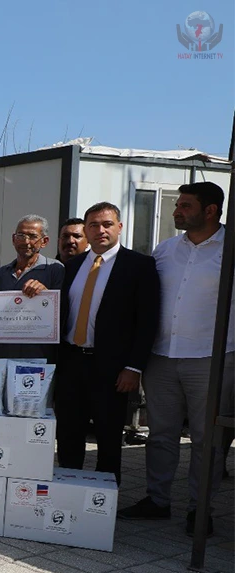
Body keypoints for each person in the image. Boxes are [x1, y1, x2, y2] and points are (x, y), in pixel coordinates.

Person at [120, 182, 233, 537]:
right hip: (163, 358)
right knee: (161, 434)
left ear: (210, 210)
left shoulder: (231, 249)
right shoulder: (165, 250)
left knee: (205, 439)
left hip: (212, 359)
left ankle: (201, 510)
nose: (176, 211)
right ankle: (157, 500)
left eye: (185, 205)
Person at [55, 202, 160, 485]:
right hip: (72, 362)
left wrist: (134, 367)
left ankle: (104, 501)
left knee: (108, 436)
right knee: (68, 434)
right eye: (93, 225)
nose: (100, 230)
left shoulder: (139, 266)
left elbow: (147, 321)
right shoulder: (73, 265)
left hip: (112, 368)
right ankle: (68, 490)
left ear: (119, 227)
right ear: (86, 230)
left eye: (107, 224)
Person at [0, 215, 65, 361]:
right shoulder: (2, 273)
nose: (26, 241)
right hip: (5, 355)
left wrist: (46, 295)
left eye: (33, 236)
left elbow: (64, 312)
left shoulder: (55, 269)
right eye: (21, 235)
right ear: (13, 239)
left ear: (44, 241)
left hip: (39, 357)